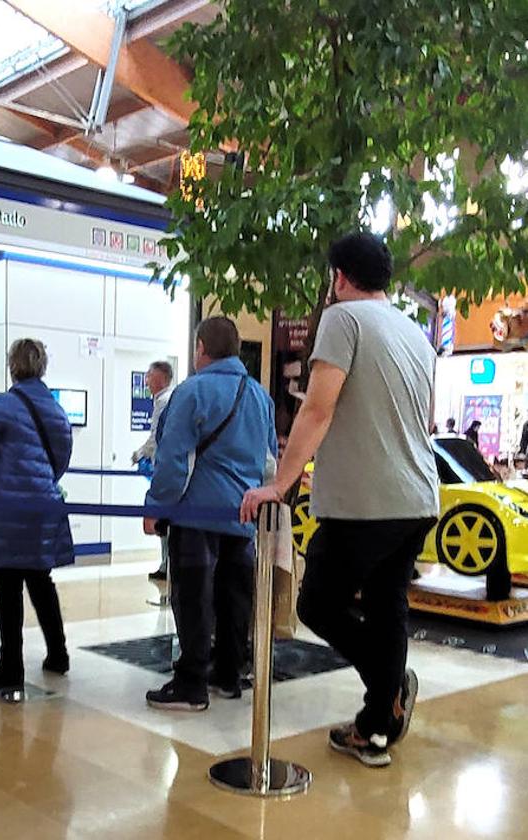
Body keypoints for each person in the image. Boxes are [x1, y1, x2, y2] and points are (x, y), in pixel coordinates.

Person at [242, 232, 438, 769]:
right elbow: (414, 420)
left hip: (366, 504)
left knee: (318, 604)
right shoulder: (416, 334)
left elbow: (318, 410)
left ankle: (389, 694)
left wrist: (279, 483)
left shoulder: (342, 319)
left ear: (341, 277)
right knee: (386, 607)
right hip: (418, 497)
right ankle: (376, 727)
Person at [143, 316, 276, 712]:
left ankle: (191, 684)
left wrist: (156, 506)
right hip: (242, 516)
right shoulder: (259, 396)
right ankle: (229, 676)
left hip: (196, 515)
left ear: (201, 347)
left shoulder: (192, 392)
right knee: (235, 598)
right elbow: (269, 463)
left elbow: (174, 462)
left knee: (193, 599)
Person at [0, 338, 73, 690]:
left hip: (5, 508)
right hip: (42, 507)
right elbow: (62, 457)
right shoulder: (55, 409)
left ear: (12, 366)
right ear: (42, 366)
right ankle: (58, 653)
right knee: (41, 580)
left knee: (6, 587)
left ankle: (11, 666)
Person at [132, 360, 176, 581]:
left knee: (163, 521)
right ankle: (166, 564)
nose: (146, 380)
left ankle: (167, 565)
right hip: (168, 469)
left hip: (165, 472)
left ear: (159, 378)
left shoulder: (163, 403)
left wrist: (139, 454)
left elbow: (156, 439)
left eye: (149, 376)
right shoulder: (169, 400)